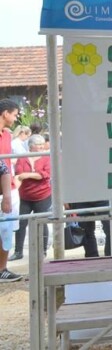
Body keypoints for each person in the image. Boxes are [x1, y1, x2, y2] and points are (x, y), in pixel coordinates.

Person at [11, 134, 51, 261]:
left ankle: (43, 250)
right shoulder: (22, 158)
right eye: (37, 145)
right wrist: (28, 175)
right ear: (31, 146)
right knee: (21, 223)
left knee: (42, 223)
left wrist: (27, 175)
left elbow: (45, 175)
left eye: (41, 145)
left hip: (43, 195)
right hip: (25, 196)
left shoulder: (46, 157)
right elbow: (18, 174)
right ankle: (18, 251)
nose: (40, 147)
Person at [0, 99, 22, 282]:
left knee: (7, 229)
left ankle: (2, 268)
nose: (15, 119)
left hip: (9, 188)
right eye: (14, 115)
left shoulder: (7, 135)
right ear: (5, 113)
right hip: (5, 189)